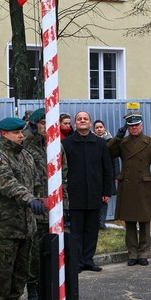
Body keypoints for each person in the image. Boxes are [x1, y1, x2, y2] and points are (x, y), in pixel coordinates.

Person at [0, 117, 45, 300]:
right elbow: (9, 185)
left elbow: (35, 182)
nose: (21, 135)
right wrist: (29, 199)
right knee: (4, 272)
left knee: (21, 272)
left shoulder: (26, 156)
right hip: (5, 226)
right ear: (4, 134)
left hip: (26, 225)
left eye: (21, 132)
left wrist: (39, 199)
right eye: (16, 133)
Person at [23, 108, 69, 300]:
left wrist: (63, 205)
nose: (46, 127)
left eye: (49, 123)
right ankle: (32, 295)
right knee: (33, 256)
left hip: (53, 210)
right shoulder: (25, 147)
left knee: (50, 254)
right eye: (42, 123)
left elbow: (64, 176)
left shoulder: (56, 145)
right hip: (34, 210)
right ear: (34, 125)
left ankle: (47, 292)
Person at [62, 111, 113, 272]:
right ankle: (77, 261)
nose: (82, 121)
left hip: (95, 194)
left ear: (90, 123)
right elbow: (63, 170)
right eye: (79, 119)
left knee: (92, 230)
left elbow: (107, 169)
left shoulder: (100, 143)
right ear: (75, 124)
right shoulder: (67, 144)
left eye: (85, 119)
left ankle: (88, 260)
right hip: (75, 194)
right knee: (76, 230)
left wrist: (107, 191)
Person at [108, 113, 151, 266]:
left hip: (144, 186)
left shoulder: (150, 143)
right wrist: (117, 137)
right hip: (128, 185)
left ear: (142, 126)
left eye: (136, 125)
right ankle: (132, 253)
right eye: (131, 126)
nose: (134, 128)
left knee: (144, 222)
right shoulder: (123, 142)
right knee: (130, 221)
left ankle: (144, 253)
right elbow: (108, 152)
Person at [93, 120, 119, 230]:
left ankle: (101, 224)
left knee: (105, 200)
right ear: (94, 130)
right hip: (95, 175)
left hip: (107, 175)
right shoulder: (91, 141)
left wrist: (116, 175)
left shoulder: (110, 141)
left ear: (104, 128)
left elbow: (115, 160)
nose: (99, 129)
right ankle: (95, 223)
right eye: (97, 127)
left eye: (101, 127)